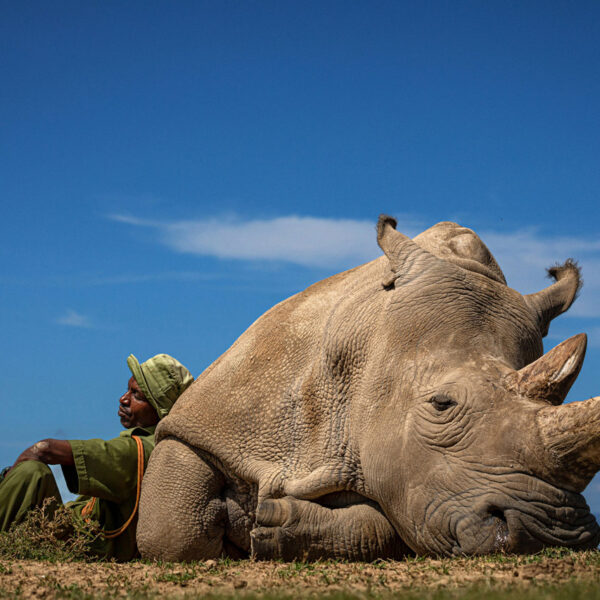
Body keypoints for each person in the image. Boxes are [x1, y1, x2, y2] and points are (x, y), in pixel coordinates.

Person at [0, 353, 193, 560]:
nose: (123, 399)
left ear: (158, 409)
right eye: (128, 390)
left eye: (137, 395)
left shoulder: (138, 449)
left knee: (33, 472)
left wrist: (12, 474)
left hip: (85, 544)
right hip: (76, 532)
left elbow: (44, 449)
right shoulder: (159, 447)